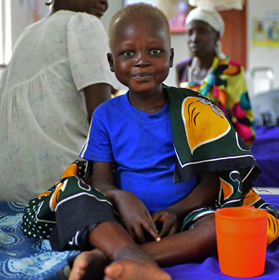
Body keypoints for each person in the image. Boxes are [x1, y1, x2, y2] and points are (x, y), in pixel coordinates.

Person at [22, 3, 279, 280]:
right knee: (73, 195)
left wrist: (174, 211)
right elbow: (101, 182)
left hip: (180, 218)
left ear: (170, 57)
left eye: (154, 51)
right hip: (120, 218)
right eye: (127, 53)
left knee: (219, 225)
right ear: (111, 63)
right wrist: (123, 199)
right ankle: (128, 254)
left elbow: (210, 183)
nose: (141, 61)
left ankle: (118, 255)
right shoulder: (105, 115)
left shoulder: (194, 110)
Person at [0, 0, 118, 204]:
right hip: (62, 187)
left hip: (8, 191)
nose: (105, 3)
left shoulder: (26, 34)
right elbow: (102, 120)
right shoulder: (83, 22)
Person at [176, 7, 255, 146]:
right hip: (190, 146)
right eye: (190, 32)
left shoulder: (231, 70)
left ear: (217, 36)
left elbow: (241, 115)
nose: (194, 39)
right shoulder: (181, 69)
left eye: (202, 31)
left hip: (223, 147)